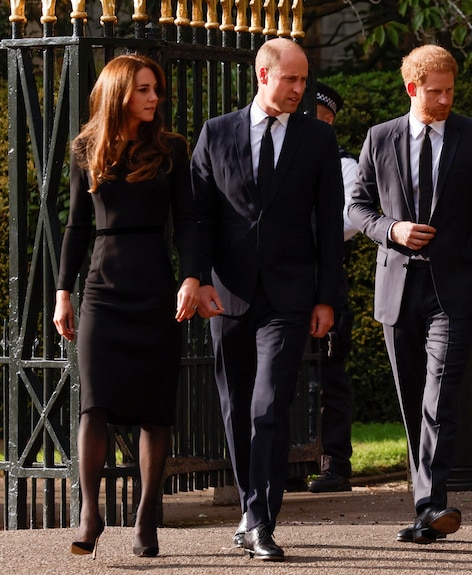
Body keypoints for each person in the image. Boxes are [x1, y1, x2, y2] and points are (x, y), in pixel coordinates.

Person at [348, 44, 472, 545]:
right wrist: (393, 229)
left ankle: (431, 504)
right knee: (412, 401)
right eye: (437, 91)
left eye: (451, 90)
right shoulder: (379, 138)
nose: (447, 99)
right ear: (413, 89)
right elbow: (358, 208)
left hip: (454, 291)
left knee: (440, 395)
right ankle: (424, 512)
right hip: (397, 288)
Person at [191, 38, 344, 562]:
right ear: (263, 74)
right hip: (226, 293)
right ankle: (252, 511)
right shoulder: (216, 133)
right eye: (292, 80)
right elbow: (199, 217)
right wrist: (194, 278)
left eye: (305, 81)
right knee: (236, 407)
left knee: (270, 403)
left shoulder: (317, 141)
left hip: (289, 295)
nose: (301, 91)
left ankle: (259, 518)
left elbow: (328, 224)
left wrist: (328, 298)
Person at [53, 54, 200, 559]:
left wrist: (191, 278)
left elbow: (189, 222)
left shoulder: (172, 149)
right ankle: (89, 513)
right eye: (142, 89)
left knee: (155, 410)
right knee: (94, 402)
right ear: (119, 92)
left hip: (157, 289)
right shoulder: (86, 148)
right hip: (102, 291)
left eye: (155, 88)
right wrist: (62, 291)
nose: (153, 97)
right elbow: (75, 226)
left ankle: (144, 518)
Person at [307, 81, 359, 494]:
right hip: (286, 274)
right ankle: (291, 459)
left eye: (325, 120)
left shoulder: (345, 166)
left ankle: (335, 463)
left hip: (325, 274)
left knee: (330, 372)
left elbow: (349, 222)